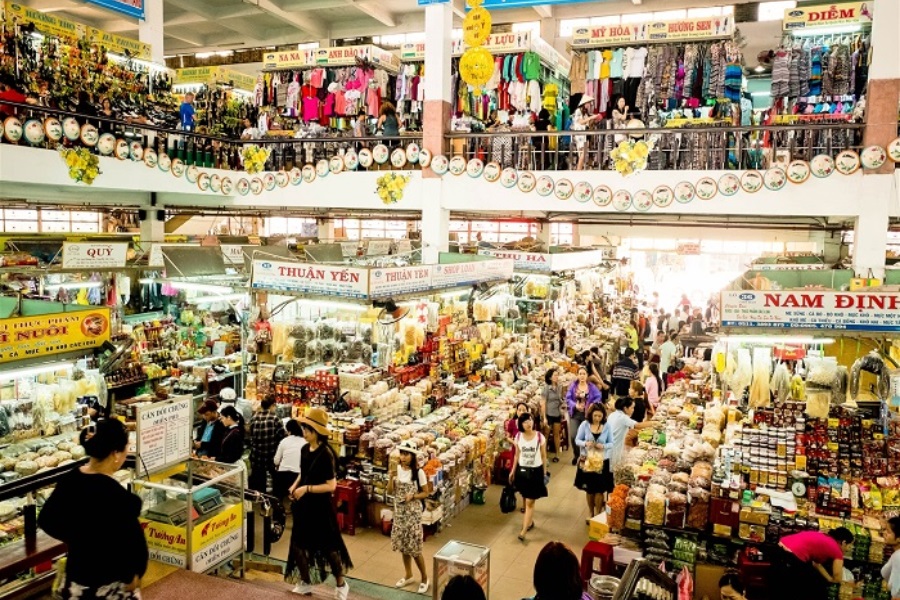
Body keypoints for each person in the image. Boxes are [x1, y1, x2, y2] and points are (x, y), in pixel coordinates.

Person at [39, 419, 148, 599]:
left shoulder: (71, 479)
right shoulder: (118, 497)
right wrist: (131, 575)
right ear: (115, 454)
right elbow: (130, 542)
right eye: (126, 447)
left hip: (77, 577)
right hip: (109, 583)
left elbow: (46, 519)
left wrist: (78, 537)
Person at [287, 407, 352, 599]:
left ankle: (341, 584)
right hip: (304, 506)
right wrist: (295, 485)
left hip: (321, 508)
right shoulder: (304, 449)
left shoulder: (326, 454)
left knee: (329, 548)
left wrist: (306, 489)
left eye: (307, 429)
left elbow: (331, 485)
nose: (304, 432)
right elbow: (303, 472)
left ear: (316, 432)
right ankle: (306, 581)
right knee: (298, 545)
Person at [388, 444, 431, 594]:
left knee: (415, 548)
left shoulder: (419, 473)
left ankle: (425, 578)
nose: (403, 457)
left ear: (413, 456)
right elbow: (390, 491)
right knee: (403, 545)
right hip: (399, 512)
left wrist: (412, 496)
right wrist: (390, 477)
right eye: (402, 454)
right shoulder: (397, 470)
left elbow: (426, 493)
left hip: (412, 513)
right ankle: (408, 575)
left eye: (407, 454)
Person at [773, 527, 855, 600]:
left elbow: (816, 564)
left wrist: (829, 579)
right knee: (807, 588)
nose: (848, 549)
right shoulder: (837, 550)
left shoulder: (825, 538)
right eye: (849, 546)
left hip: (780, 547)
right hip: (791, 556)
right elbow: (837, 577)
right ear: (844, 542)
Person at [510, 412, 548, 541]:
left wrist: (544, 473)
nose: (529, 423)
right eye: (525, 421)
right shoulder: (518, 437)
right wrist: (513, 471)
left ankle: (523, 531)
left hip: (535, 472)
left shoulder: (539, 437)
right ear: (521, 424)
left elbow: (543, 456)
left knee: (530, 501)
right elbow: (517, 455)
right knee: (526, 499)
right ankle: (530, 522)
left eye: (530, 420)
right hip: (522, 471)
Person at [598, 397, 657, 475]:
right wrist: (654, 423)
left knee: (609, 470)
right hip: (614, 449)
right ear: (625, 408)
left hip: (608, 447)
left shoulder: (613, 414)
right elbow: (637, 425)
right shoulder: (623, 418)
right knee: (612, 472)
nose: (633, 410)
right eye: (632, 408)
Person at [575, 404, 614, 521]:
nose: (597, 418)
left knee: (600, 489)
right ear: (590, 415)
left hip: (602, 461)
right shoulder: (584, 425)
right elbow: (577, 440)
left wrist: (603, 446)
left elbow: (612, 443)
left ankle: (598, 513)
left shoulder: (607, 426)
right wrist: (585, 444)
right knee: (590, 489)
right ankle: (590, 512)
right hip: (587, 461)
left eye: (600, 416)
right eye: (595, 415)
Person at [565, 367, 603, 465]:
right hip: (575, 414)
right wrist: (575, 405)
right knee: (573, 435)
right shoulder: (573, 386)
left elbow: (598, 396)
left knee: (587, 436)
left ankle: (585, 456)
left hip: (587, 415)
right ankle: (576, 454)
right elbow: (568, 398)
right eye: (580, 373)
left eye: (584, 374)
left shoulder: (591, 387)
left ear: (587, 376)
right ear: (577, 375)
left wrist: (592, 404)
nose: (582, 376)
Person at [249, 396, 285, 493]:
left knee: (259, 486)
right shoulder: (275, 419)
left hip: (257, 457)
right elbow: (283, 437)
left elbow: (251, 436)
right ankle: (274, 499)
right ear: (272, 405)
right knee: (276, 481)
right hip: (271, 456)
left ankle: (261, 499)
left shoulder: (254, 418)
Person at [274, 418, 306, 501]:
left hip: (282, 475)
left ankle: (278, 510)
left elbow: (276, 461)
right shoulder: (305, 442)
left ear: (288, 430)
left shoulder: (284, 441)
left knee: (278, 498)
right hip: (298, 476)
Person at [541, 368, 565, 463]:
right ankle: (544, 455)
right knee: (546, 435)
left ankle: (557, 454)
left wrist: (563, 405)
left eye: (557, 375)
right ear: (550, 377)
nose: (556, 377)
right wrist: (544, 418)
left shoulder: (560, 387)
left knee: (556, 434)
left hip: (557, 413)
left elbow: (561, 398)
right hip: (548, 414)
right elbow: (543, 403)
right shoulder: (546, 388)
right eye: (555, 375)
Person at [571, 95, 600, 170]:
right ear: (584, 103)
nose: (589, 104)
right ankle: (579, 169)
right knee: (582, 153)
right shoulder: (578, 111)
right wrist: (591, 117)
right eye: (588, 103)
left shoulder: (585, 112)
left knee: (583, 153)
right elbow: (580, 122)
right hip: (580, 134)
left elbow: (588, 123)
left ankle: (580, 168)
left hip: (584, 134)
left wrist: (595, 119)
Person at [880, 516, 900, 599]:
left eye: (888, 531)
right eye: (885, 530)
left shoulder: (898, 556)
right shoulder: (896, 555)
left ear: (899, 539)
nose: (884, 533)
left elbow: (896, 592)